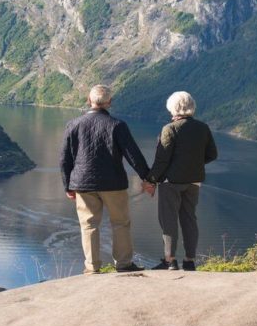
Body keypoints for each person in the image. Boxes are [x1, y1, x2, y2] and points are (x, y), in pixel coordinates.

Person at [60, 85, 155, 274]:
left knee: (88, 225)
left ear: (89, 100)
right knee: (120, 223)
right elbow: (133, 155)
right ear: (109, 103)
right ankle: (123, 264)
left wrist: (67, 186)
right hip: (113, 183)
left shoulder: (73, 124)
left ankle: (92, 267)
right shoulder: (117, 125)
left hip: (83, 183)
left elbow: (65, 158)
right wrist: (148, 178)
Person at [147, 91, 218, 271]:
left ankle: (170, 261)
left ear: (173, 108)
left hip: (171, 182)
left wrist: (151, 179)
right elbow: (212, 154)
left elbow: (162, 160)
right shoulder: (203, 127)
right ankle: (190, 261)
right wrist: (192, 164)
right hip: (194, 181)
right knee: (189, 219)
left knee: (168, 219)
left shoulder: (169, 129)